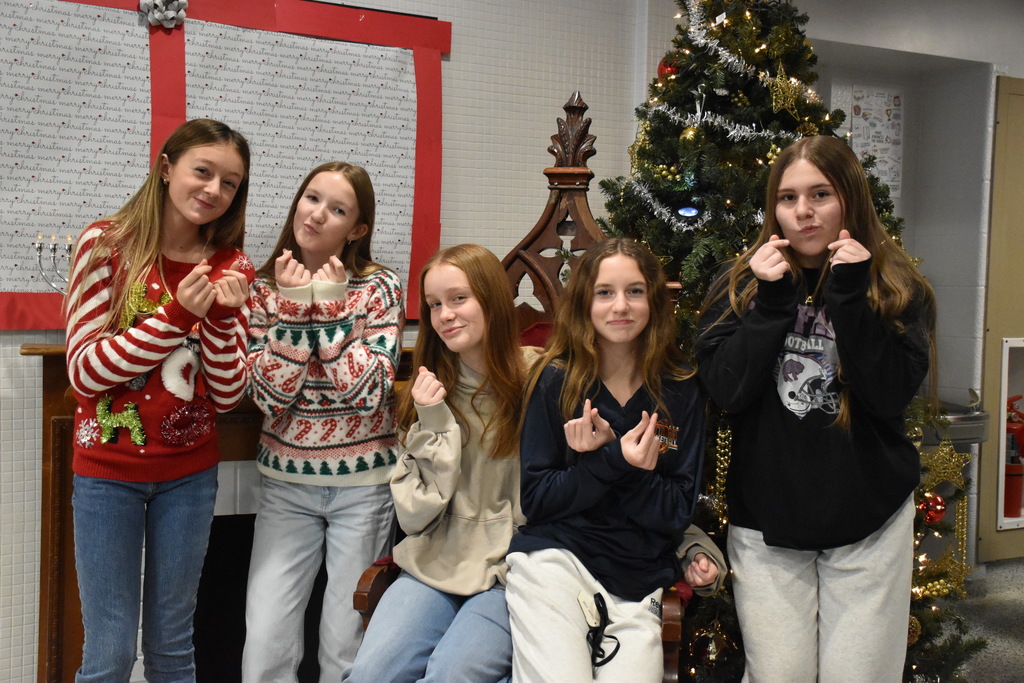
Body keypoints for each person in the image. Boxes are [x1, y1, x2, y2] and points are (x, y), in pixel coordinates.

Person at [695, 135, 937, 682]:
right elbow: (726, 392)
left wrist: (851, 298)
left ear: (849, 197)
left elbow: (889, 395)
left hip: (869, 520)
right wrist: (772, 303)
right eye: (787, 198)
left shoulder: (897, 288)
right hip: (768, 524)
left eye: (820, 194)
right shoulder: (738, 284)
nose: (802, 212)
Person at [64, 118, 253, 682]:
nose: (215, 190)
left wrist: (218, 320)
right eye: (203, 171)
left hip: (189, 476)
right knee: (111, 652)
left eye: (231, 183)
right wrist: (177, 318)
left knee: (173, 647)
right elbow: (85, 373)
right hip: (106, 474)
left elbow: (225, 393)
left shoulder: (232, 267)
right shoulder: (105, 245)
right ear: (167, 168)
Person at [506, 238, 712, 683]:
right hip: (556, 561)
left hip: (639, 578)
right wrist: (611, 462)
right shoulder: (554, 380)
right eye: (605, 292)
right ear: (584, 302)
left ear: (654, 301)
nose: (621, 306)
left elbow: (676, 512)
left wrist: (614, 461)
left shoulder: (681, 389)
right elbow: (537, 500)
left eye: (635, 291)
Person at [343, 243, 534, 682]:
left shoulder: (539, 378)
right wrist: (434, 423)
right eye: (433, 304)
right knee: (371, 674)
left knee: (453, 674)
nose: (445, 314)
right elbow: (414, 516)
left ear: (491, 299)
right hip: (433, 563)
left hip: (512, 570)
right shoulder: (425, 393)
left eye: (458, 298)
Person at [242, 161, 403, 683]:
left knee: (345, 645)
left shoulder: (379, 289)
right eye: (311, 198)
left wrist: (329, 311)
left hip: (363, 488)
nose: (315, 214)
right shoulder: (263, 289)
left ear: (357, 229)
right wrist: (293, 311)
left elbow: (368, 394)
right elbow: (268, 396)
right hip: (285, 487)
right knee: (265, 642)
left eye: (336, 209)